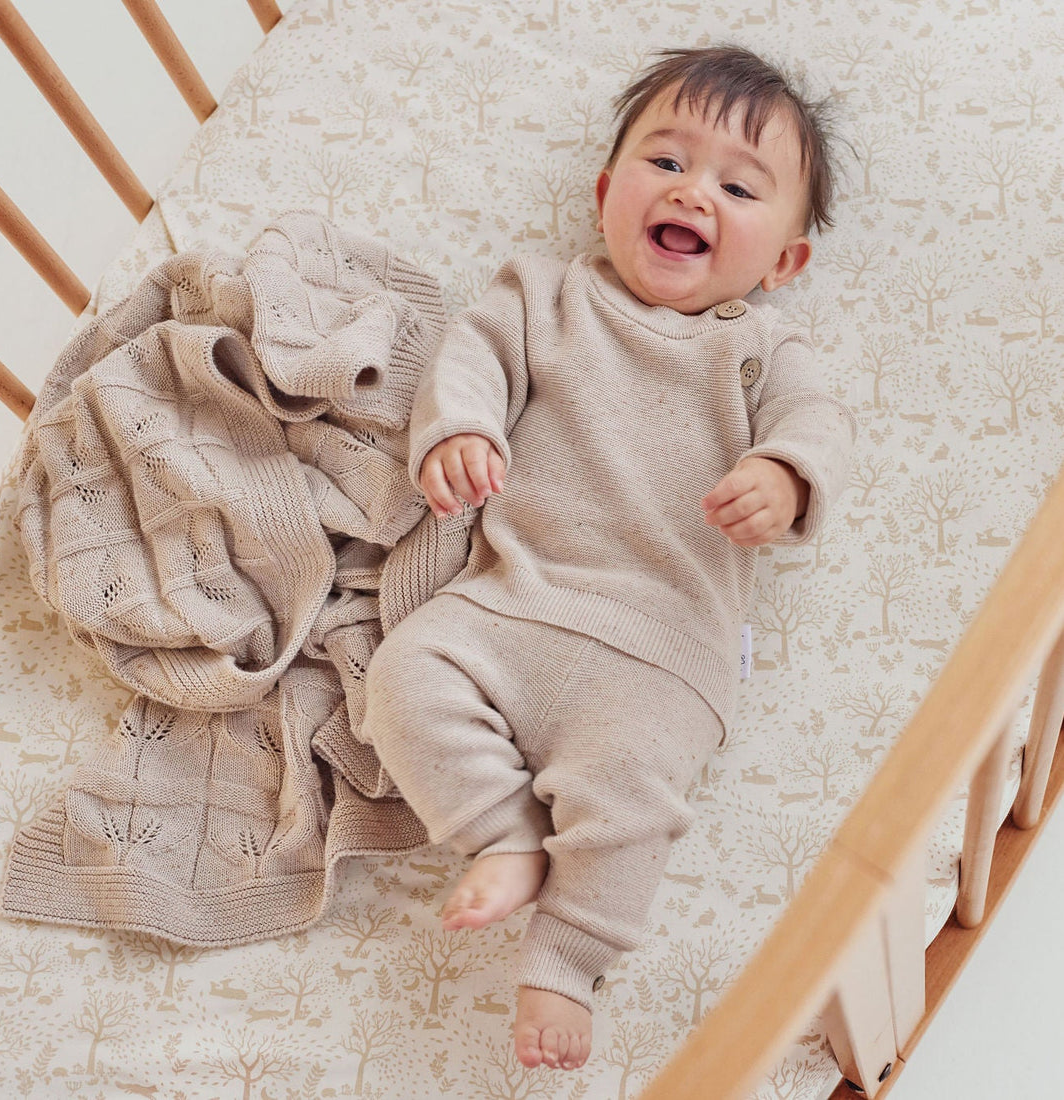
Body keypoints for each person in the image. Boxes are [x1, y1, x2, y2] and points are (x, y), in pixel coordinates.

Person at [361, 45, 855, 1071]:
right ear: (602, 193)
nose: (689, 191)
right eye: (663, 161)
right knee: (401, 675)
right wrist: (458, 430)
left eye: (734, 185)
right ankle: (504, 833)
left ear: (782, 262)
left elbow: (815, 422)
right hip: (508, 601)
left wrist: (787, 474)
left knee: (630, 794)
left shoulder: (757, 349)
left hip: (662, 644)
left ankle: (566, 957)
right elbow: (471, 356)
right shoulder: (543, 294)